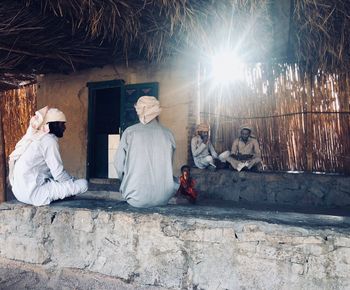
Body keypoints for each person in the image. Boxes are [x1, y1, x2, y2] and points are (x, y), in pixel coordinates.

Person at [8, 106, 88, 206]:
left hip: (20, 193)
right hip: (33, 194)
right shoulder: (49, 140)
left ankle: (61, 192)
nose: (64, 127)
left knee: (64, 184)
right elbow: (58, 174)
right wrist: (72, 182)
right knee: (83, 184)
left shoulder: (39, 137)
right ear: (54, 124)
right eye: (62, 124)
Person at [114, 96, 176, 208]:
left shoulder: (130, 132)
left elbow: (119, 166)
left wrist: (127, 181)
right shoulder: (168, 134)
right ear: (157, 112)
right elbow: (170, 165)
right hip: (163, 198)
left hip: (136, 198)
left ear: (138, 111)